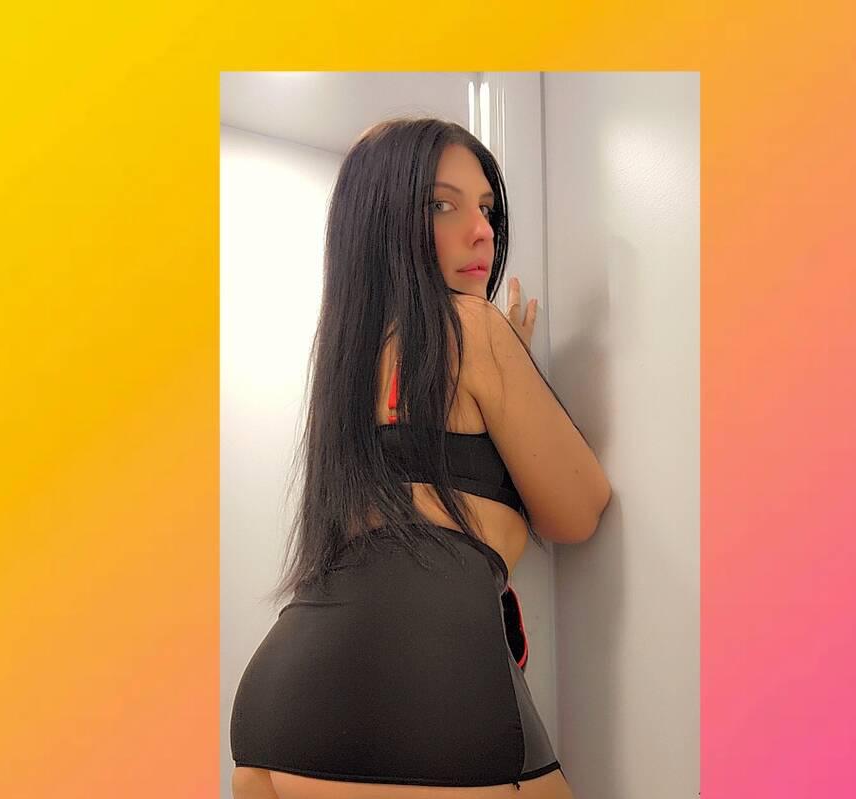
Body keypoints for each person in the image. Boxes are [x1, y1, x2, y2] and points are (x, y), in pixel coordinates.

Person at [229, 117, 612, 799]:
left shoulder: (346, 371)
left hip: (276, 713)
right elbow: (578, 510)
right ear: (386, 225)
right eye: (442, 205)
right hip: (427, 700)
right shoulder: (472, 327)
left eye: (486, 207)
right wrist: (511, 361)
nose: (482, 230)